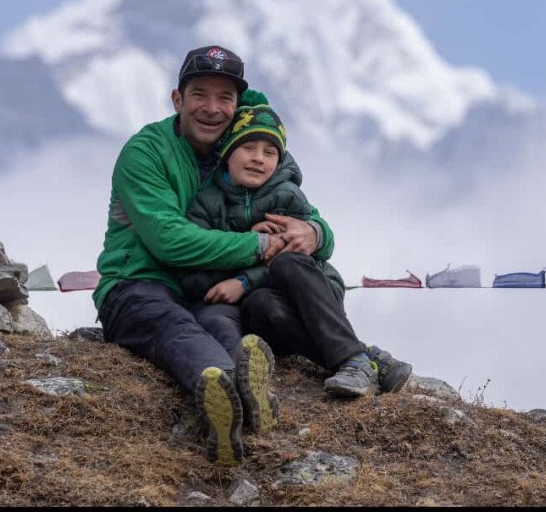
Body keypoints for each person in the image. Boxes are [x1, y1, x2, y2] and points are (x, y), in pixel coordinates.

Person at [93, 45, 330, 466]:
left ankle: (245, 380)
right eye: (199, 94)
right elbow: (171, 240)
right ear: (177, 99)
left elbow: (299, 210)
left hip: (207, 289)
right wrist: (259, 247)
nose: (212, 108)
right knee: (171, 324)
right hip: (140, 282)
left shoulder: (244, 144)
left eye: (226, 98)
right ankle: (226, 387)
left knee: (221, 323)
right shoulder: (145, 152)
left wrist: (313, 232)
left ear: (238, 104)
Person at [178, 100, 413, 401]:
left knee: (286, 262)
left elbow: (313, 251)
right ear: (226, 151)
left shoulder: (287, 195)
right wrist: (245, 247)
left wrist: (244, 281)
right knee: (258, 306)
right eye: (248, 147)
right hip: (268, 305)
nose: (258, 159)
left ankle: (352, 361)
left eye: (270, 152)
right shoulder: (205, 203)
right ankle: (366, 357)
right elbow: (192, 271)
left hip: (314, 289)